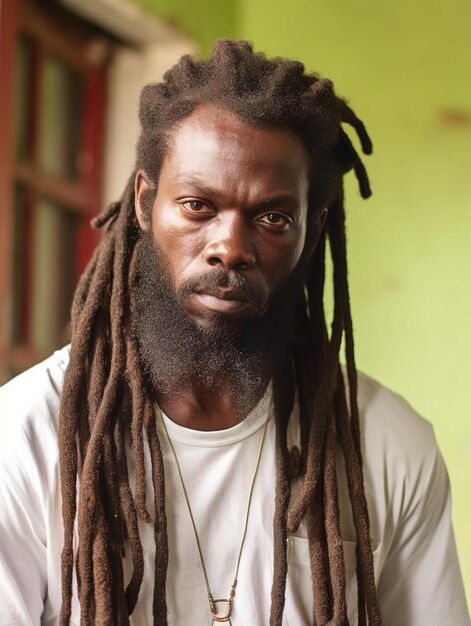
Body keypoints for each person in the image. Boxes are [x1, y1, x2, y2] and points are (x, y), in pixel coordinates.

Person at [0, 39, 468, 626]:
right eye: (197, 205)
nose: (230, 248)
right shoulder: (23, 437)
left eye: (272, 217)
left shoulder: (386, 444)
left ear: (311, 228)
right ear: (146, 203)